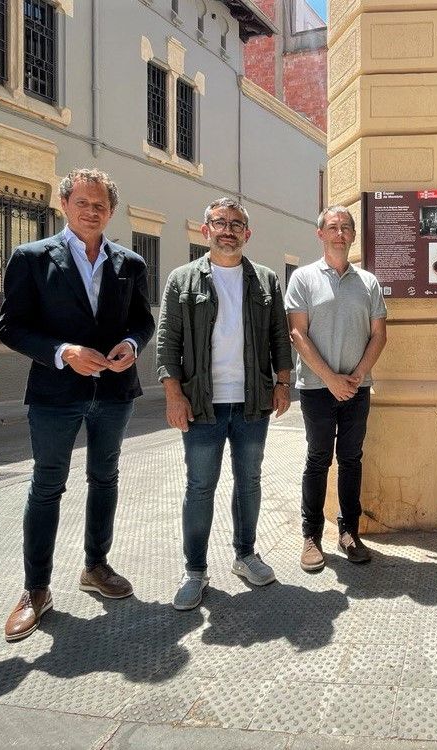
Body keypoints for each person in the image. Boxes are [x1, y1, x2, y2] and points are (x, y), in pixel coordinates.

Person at [0, 168, 155, 641]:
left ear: (112, 211)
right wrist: (63, 353)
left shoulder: (130, 263)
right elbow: (11, 326)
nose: (92, 211)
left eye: (101, 205)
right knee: (47, 486)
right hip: (55, 394)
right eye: (83, 202)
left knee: (105, 479)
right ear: (64, 204)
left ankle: (96, 567)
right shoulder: (30, 257)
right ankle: (36, 590)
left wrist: (131, 343)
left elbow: (143, 322)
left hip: (112, 394)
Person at [156, 197, 293, 605]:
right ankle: (195, 570)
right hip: (202, 405)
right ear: (206, 231)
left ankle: (245, 555)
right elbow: (168, 342)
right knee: (200, 486)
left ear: (247, 234)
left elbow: (279, 338)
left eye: (236, 224)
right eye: (220, 222)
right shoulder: (183, 280)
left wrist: (282, 383)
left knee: (249, 481)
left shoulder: (265, 280)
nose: (228, 230)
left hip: (252, 403)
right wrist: (173, 395)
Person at [286, 206, 388, 572]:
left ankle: (349, 533)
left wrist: (358, 375)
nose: (340, 233)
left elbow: (379, 335)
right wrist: (330, 378)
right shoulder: (303, 278)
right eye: (333, 227)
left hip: (357, 389)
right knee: (317, 460)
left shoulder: (369, 283)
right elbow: (297, 333)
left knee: (351, 460)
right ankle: (311, 535)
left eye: (346, 227)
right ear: (321, 234)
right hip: (316, 388)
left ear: (354, 235)